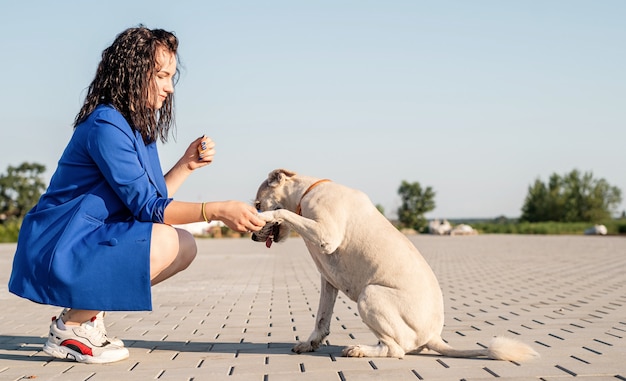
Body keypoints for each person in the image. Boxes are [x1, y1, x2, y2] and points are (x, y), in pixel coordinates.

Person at [8, 25, 266, 364]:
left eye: (172, 77)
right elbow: (151, 208)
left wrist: (186, 166)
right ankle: (70, 327)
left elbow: (150, 201)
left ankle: (86, 318)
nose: (169, 88)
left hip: (86, 240)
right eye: (161, 75)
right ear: (133, 70)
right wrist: (217, 210)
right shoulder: (106, 125)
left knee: (184, 245)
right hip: (59, 243)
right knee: (165, 240)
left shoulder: (135, 127)